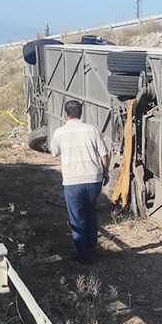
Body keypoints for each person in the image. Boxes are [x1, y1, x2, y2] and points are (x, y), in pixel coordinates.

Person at [49, 100, 109, 264]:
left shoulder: (59, 132)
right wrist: (106, 172)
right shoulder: (92, 130)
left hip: (72, 181)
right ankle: (91, 245)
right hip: (93, 180)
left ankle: (83, 256)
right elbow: (104, 153)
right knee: (91, 211)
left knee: (77, 218)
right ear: (81, 114)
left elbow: (54, 152)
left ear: (66, 115)